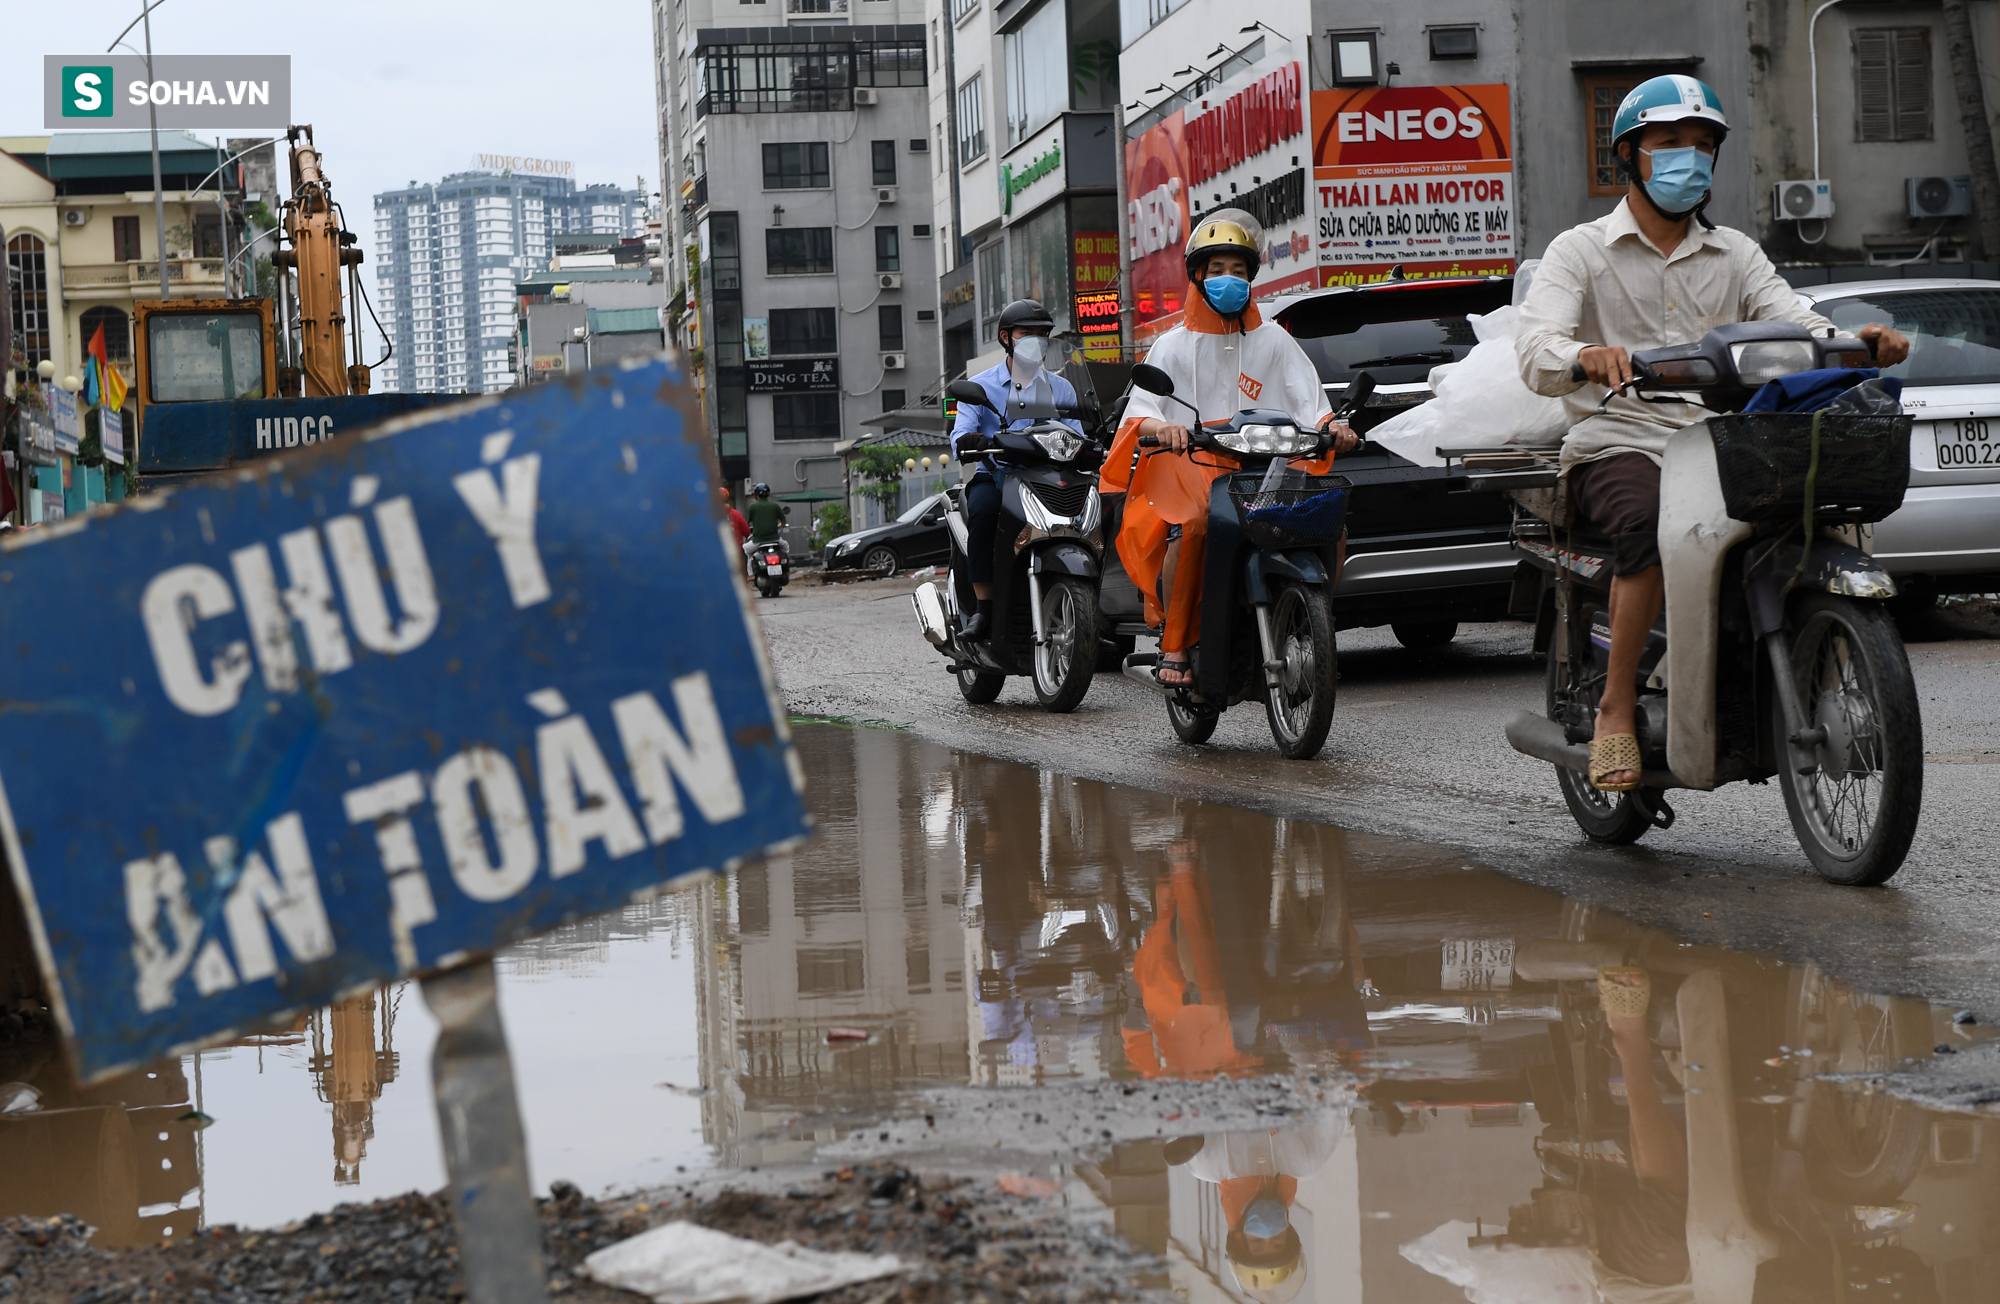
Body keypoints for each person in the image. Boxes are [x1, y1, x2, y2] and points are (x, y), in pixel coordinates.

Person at [1515, 75, 1909, 792]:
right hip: (1620, 437)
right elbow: (1536, 348)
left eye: (1703, 146)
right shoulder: (1580, 251)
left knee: (1808, 516)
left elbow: (1795, 320)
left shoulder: (1736, 254)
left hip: (1724, 440)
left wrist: (1855, 344)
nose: (1689, 159)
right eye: (1670, 144)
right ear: (1627, 157)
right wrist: (1584, 357)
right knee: (1647, 523)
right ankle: (1615, 708)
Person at [1103, 215, 1359, 687]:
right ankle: (1175, 643)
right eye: (1217, 268)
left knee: (1329, 520)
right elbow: (1140, 412)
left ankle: (1309, 615)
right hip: (1190, 462)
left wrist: (1333, 427)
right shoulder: (1172, 346)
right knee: (1196, 524)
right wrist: (1165, 429)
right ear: (1198, 275)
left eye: (1238, 270)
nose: (1228, 279)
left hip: (1266, 462)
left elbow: (1311, 402)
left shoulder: (1275, 340)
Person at [950, 299, 1082, 642]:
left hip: (1048, 477)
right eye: (1027, 333)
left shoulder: (1061, 388)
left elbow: (1078, 435)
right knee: (982, 512)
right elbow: (960, 434)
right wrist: (971, 441)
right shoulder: (980, 386)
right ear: (1006, 338)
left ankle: (1091, 609)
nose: (1036, 340)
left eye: (1042, 334)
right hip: (996, 476)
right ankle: (983, 608)